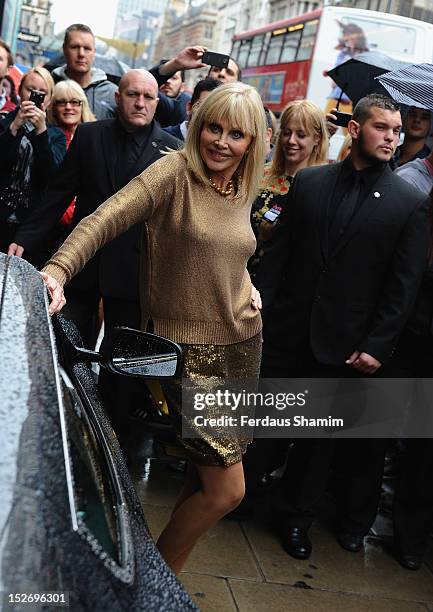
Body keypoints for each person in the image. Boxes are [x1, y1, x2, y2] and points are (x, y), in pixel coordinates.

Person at [40, 82, 266, 574]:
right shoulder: (173, 172)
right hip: (188, 353)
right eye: (213, 127)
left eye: (236, 134)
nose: (221, 142)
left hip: (242, 344)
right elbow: (103, 218)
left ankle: (170, 583)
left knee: (201, 483)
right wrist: (57, 270)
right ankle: (151, 586)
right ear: (198, 124)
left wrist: (247, 284)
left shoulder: (242, 186)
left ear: (252, 143)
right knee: (229, 492)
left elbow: (227, 252)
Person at [255, 94, 429, 560]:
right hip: (289, 330)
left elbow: (402, 286)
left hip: (346, 344)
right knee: (267, 423)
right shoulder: (310, 183)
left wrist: (377, 345)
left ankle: (296, 520)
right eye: (382, 128)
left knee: (316, 444)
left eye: (397, 130)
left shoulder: (409, 202)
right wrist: (263, 312)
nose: (393, 137)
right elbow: (280, 259)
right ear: (355, 130)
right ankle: (247, 498)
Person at [9, 69, 180, 351]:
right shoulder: (89, 135)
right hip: (82, 266)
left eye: (148, 96)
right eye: (132, 94)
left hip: (133, 275)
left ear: (157, 102)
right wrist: (26, 237)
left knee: (121, 368)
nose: (140, 103)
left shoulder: (172, 151)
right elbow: (58, 194)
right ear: (117, 97)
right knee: (62, 348)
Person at [249, 100, 329, 278]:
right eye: (286, 133)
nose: (291, 141)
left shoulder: (325, 186)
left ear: (317, 138)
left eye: (301, 135)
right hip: (243, 277)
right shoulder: (260, 173)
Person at [0, 67, 66, 265]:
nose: (35, 97)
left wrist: (41, 132)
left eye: (41, 93)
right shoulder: (4, 122)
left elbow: (51, 177)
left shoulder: (56, 135)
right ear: (20, 91)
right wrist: (14, 127)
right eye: (30, 90)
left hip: (29, 225)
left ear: (50, 98)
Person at [47, 80, 96, 230]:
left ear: (83, 106)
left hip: (87, 222)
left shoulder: (97, 136)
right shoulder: (47, 137)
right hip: (53, 221)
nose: (68, 107)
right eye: (62, 102)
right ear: (54, 108)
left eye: (75, 102)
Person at [51, 23, 118, 120]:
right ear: (64, 49)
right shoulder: (49, 86)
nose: (81, 54)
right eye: (75, 47)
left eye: (87, 48)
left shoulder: (112, 94)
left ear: (94, 52)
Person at [163, 76, 221, 141]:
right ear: (189, 107)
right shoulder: (163, 138)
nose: (208, 114)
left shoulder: (216, 146)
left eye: (216, 109)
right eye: (203, 107)